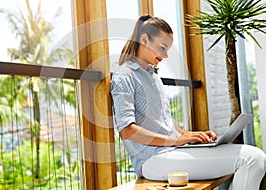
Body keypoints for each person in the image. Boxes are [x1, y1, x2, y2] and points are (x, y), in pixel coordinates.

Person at [110, 14, 266, 190]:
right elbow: (127, 130)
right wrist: (175, 141)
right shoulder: (125, 75)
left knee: (250, 154)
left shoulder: (153, 77)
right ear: (144, 40)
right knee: (252, 158)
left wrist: (189, 136)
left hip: (173, 152)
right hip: (153, 160)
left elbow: (164, 121)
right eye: (162, 48)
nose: (165, 55)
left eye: (167, 49)